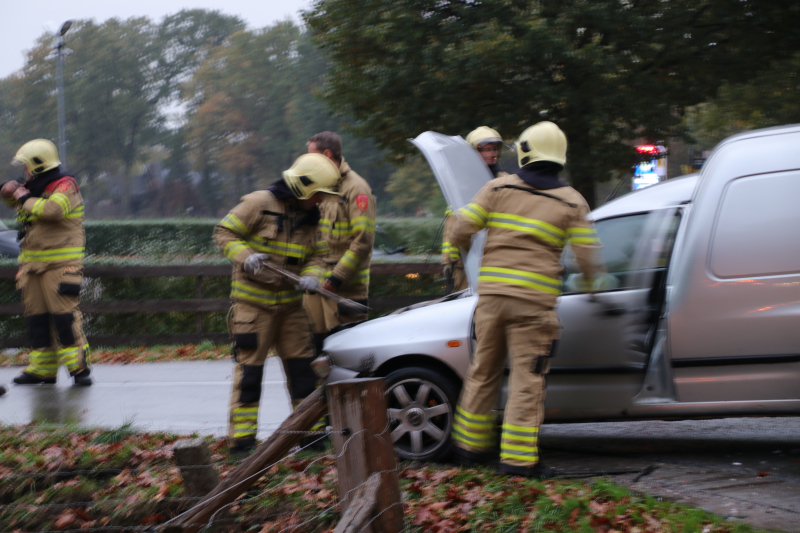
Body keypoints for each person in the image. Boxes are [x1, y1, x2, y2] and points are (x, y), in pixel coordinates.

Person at [448, 121, 600, 478]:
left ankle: (468, 448)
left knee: (483, 371)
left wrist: (467, 251)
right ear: (560, 155)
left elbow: (460, 227)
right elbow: (588, 257)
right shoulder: (571, 200)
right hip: (533, 306)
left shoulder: (497, 188)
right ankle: (517, 461)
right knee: (526, 380)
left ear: (524, 151)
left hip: (493, 299)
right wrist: (591, 285)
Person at [213, 152, 339, 455]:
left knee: (303, 375)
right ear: (304, 187)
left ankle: (311, 440)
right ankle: (241, 445)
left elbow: (318, 256)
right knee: (250, 377)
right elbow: (223, 232)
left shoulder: (312, 217)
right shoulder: (258, 203)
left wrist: (311, 276)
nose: (321, 201)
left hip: (292, 309)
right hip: (252, 309)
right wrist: (246, 257)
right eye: (319, 194)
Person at [1, 140, 91, 387]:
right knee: (36, 319)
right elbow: (24, 206)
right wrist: (9, 194)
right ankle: (43, 369)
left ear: (38, 165)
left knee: (64, 317)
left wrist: (23, 196)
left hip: (61, 265)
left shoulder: (65, 185)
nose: (24, 172)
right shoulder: (33, 187)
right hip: (32, 265)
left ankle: (79, 369)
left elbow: (52, 211)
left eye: (26, 166)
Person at [303, 132, 376, 350]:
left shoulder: (356, 188)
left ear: (327, 155)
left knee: (349, 360)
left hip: (346, 290)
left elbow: (363, 240)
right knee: (315, 356)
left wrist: (336, 278)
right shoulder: (318, 187)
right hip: (317, 290)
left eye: (311, 157)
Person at [443, 126, 507, 293]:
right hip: (464, 263)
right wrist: (447, 261)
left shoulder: (507, 182)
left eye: (493, 149)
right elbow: (451, 223)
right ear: (470, 153)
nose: (491, 154)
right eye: (485, 150)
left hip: (496, 259)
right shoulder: (459, 184)